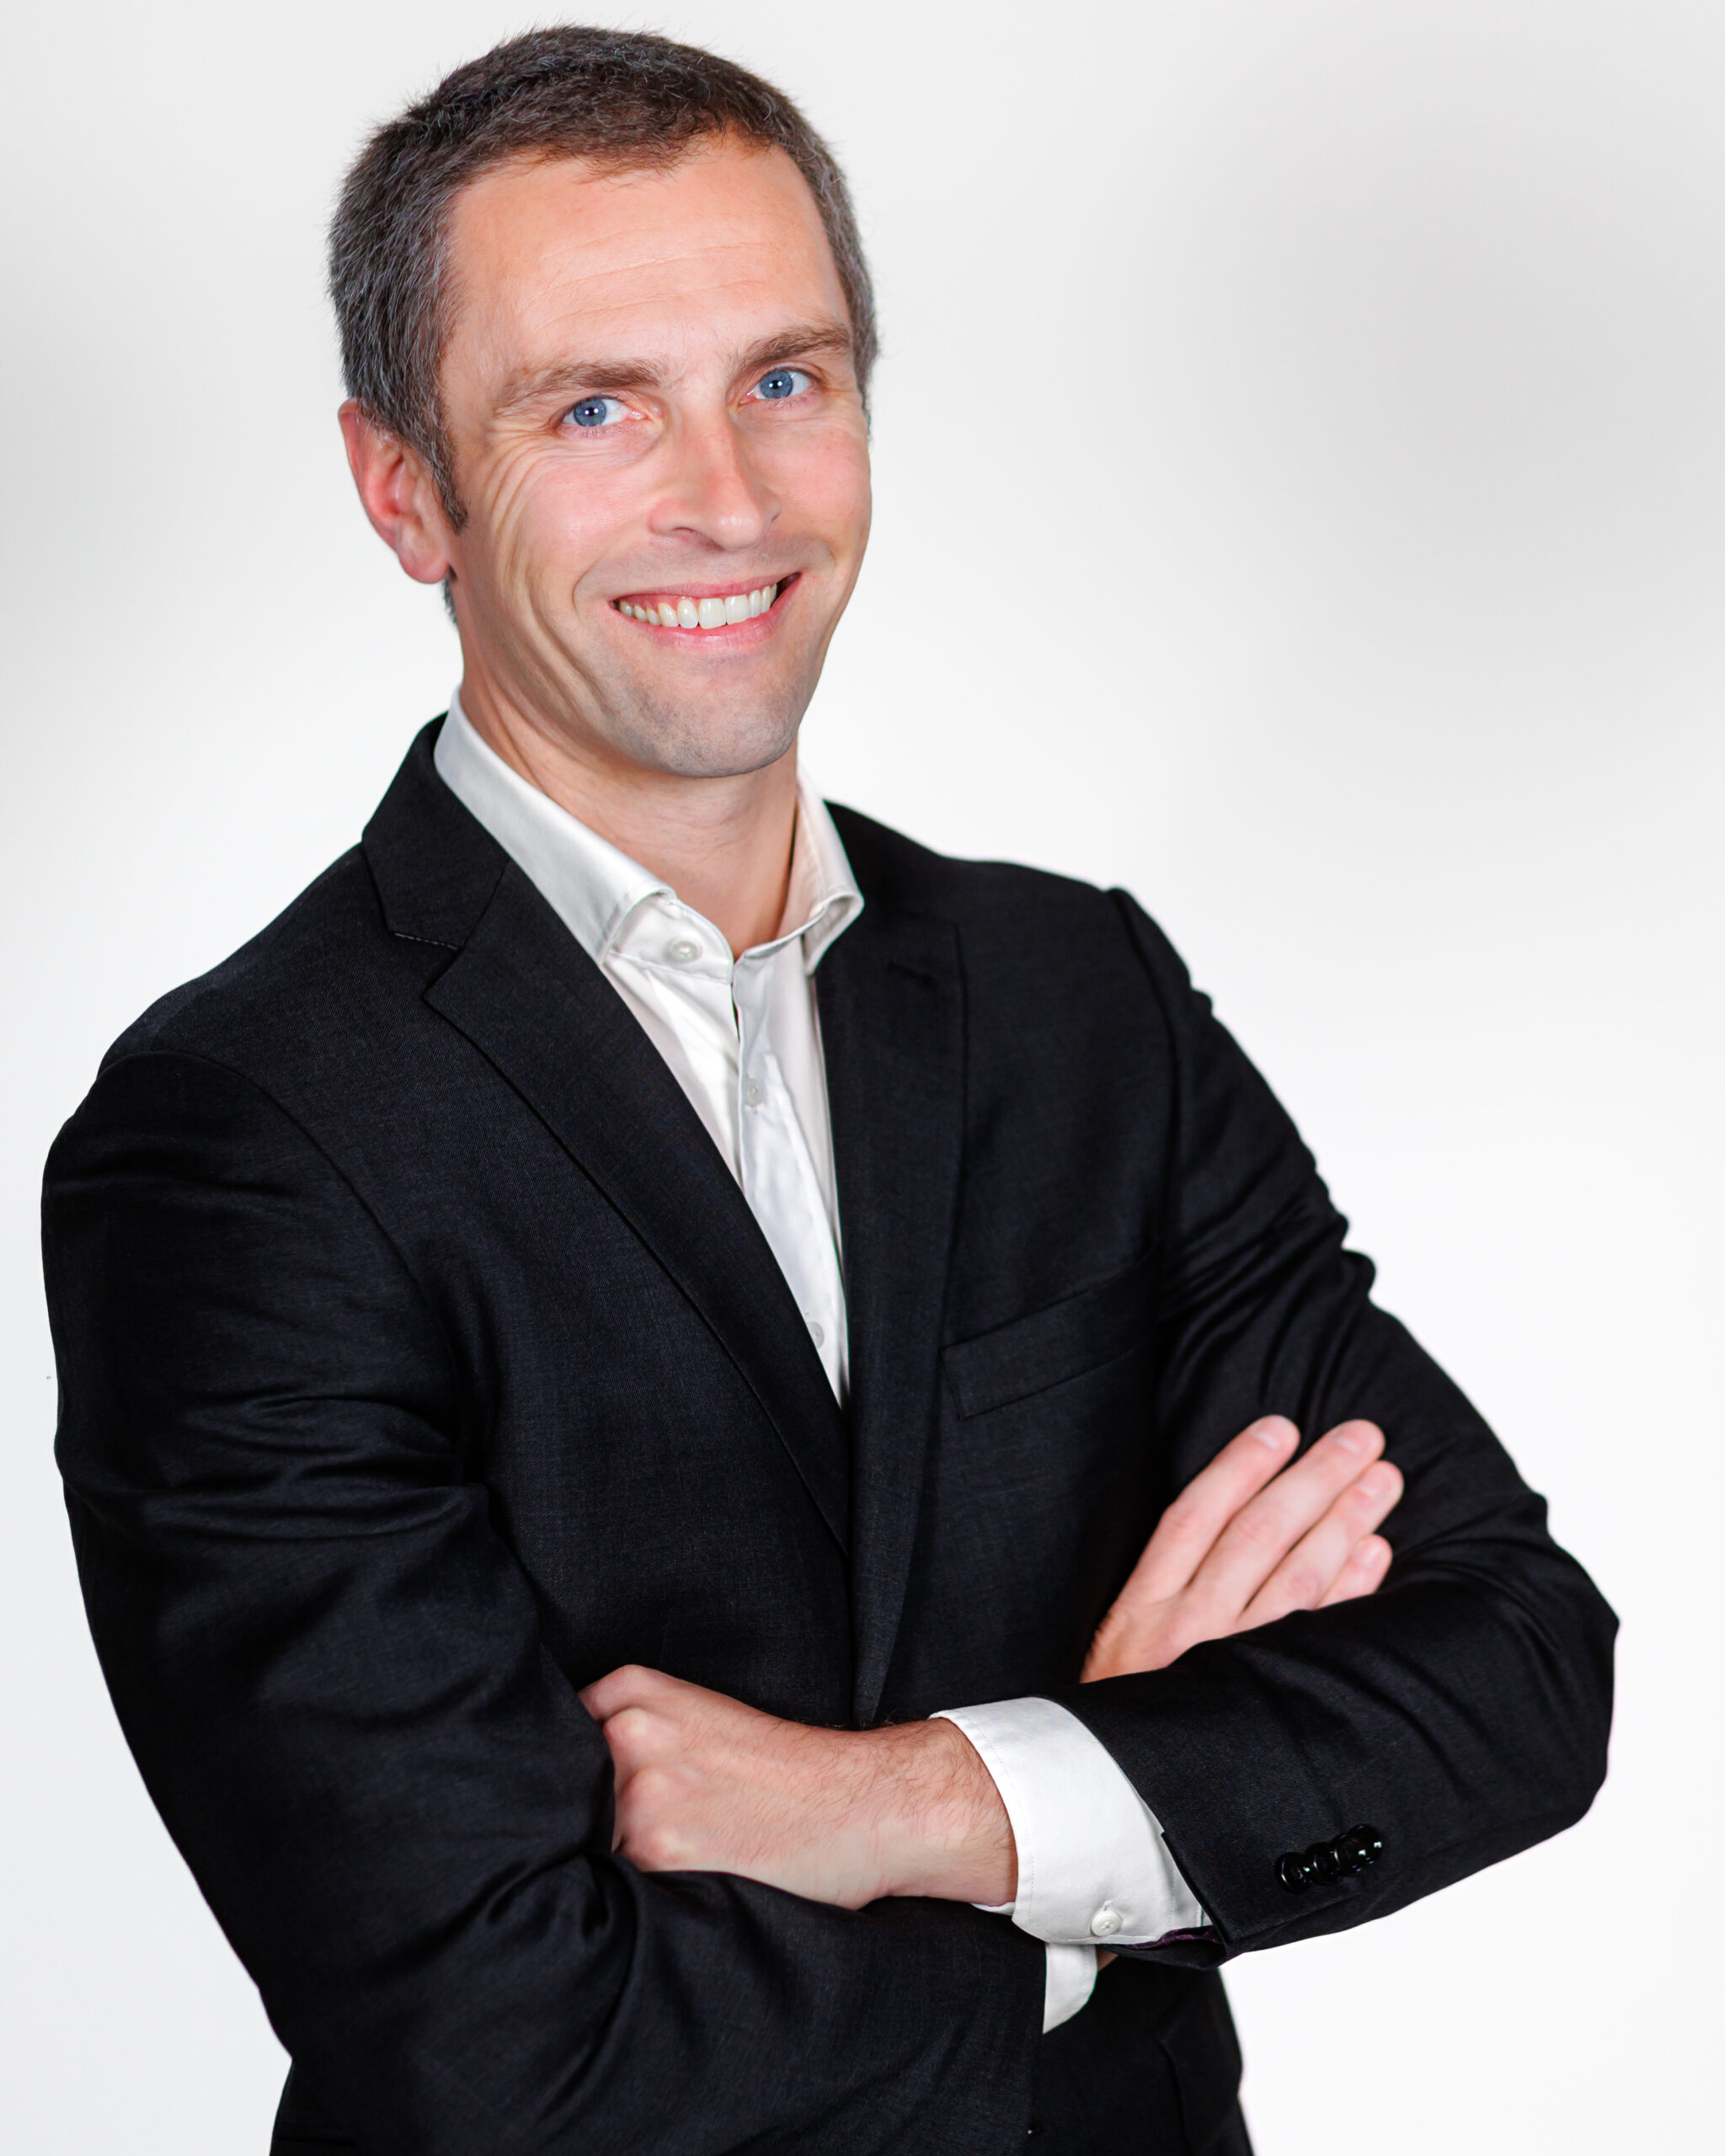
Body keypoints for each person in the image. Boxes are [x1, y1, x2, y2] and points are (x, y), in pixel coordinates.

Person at [42, 27, 1614, 2156]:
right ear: (404, 488)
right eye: (594, 406)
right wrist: (1101, 1848)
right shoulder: (239, 1140)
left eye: (784, 377)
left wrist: (914, 1800)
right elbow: (500, 2040)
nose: (729, 494)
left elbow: (1516, 1665)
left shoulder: (1081, 998)